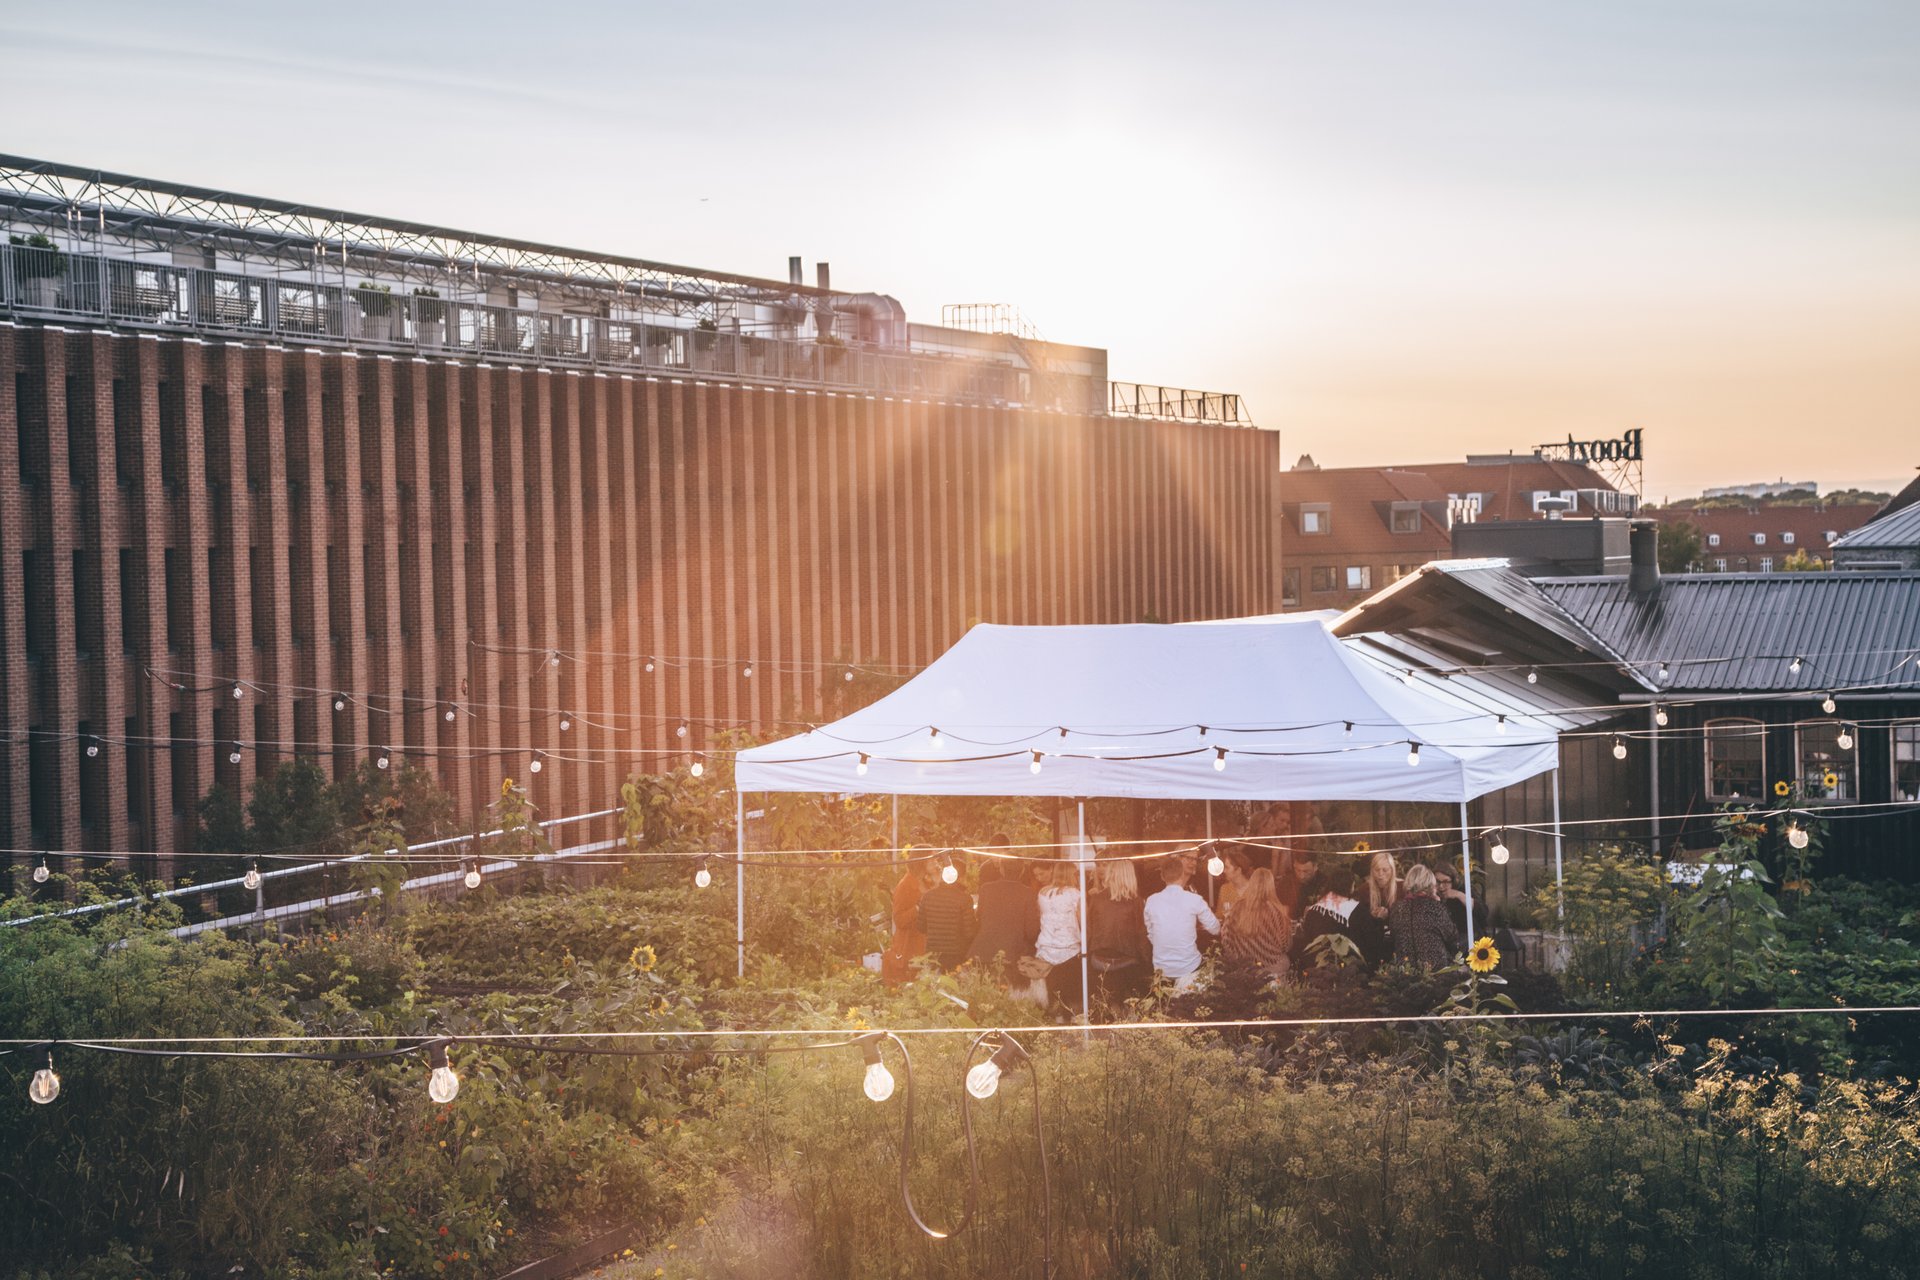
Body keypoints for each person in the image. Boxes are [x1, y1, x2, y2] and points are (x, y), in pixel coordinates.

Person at [1143, 859, 1221, 993]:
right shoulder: (1195, 900)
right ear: (1182, 874)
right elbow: (1215, 929)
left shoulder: (1151, 901)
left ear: (1162, 876)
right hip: (1189, 967)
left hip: (1162, 969)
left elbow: (1151, 934)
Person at [966, 849, 1040, 982]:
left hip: (983, 952)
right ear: (1022, 870)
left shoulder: (986, 889)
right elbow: (1032, 931)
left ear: (1001, 869)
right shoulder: (1028, 894)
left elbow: (980, 918)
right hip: (1013, 955)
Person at [1288, 868, 1386, 969]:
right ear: (1350, 887)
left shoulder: (1313, 910)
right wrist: (1379, 920)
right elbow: (1372, 941)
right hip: (1349, 969)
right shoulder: (1358, 910)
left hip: (1317, 967)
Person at [1086, 859, 1152, 1004]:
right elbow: (1142, 935)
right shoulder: (1136, 901)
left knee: (1104, 1002)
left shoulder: (1096, 898)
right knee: (1132, 1002)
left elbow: (1088, 931)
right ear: (1130, 876)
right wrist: (1148, 963)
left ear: (1110, 874)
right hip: (1126, 961)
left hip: (1099, 961)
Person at [1033, 860, 1087, 1014]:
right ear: (1072, 875)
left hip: (1046, 946)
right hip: (1069, 948)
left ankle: (1054, 1016)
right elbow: (1083, 921)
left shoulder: (1043, 893)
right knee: (1068, 987)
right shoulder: (1076, 894)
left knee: (1052, 986)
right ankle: (1068, 1015)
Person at [1220, 867, 1293, 980]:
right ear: (1271, 886)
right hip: (1273, 967)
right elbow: (1285, 945)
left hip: (1245, 966)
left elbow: (1225, 938)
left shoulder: (1237, 907)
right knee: (1285, 961)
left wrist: (1238, 956)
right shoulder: (1277, 911)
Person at [1389, 863, 1460, 969]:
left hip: (1406, 972)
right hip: (1435, 971)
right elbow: (1452, 937)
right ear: (1430, 884)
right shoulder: (1435, 907)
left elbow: (1394, 937)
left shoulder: (1397, 908)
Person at [880, 852, 932, 984]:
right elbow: (899, 920)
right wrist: (917, 909)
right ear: (923, 862)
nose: (937, 863)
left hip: (924, 942)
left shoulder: (926, 881)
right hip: (910, 946)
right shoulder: (905, 886)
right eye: (933, 859)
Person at [915, 860, 976, 970]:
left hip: (933, 953)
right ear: (961, 877)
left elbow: (921, 927)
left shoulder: (928, 896)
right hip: (957, 954)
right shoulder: (965, 899)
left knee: (936, 985)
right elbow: (969, 932)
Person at [1432, 866, 1480, 944]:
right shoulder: (1432, 896)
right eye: (1437, 882)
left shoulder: (1464, 889)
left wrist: (1459, 895)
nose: (1441, 886)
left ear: (1453, 881)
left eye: (1446, 882)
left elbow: (1483, 912)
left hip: (1470, 941)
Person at [1364, 850, 1400, 923]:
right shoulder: (1364, 889)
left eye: (1385, 870)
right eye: (1377, 870)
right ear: (1372, 871)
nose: (1380, 874)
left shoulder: (1402, 887)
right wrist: (1370, 916)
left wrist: (1389, 913)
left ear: (1392, 870)